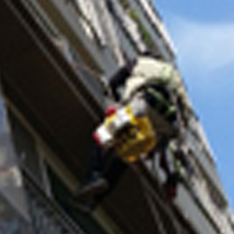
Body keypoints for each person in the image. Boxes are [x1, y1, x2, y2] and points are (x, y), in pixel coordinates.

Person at [77, 52, 192, 203]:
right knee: (125, 156)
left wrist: (113, 95)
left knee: (102, 135)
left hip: (143, 106)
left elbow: (115, 82)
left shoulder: (139, 62)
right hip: (167, 125)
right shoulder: (174, 76)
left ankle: (93, 176)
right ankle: (95, 202)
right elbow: (185, 114)